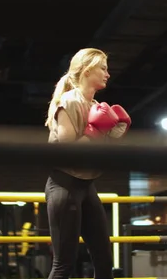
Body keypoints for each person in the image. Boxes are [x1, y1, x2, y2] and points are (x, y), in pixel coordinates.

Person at [44, 48, 131, 279]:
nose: (108, 74)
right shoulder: (70, 101)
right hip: (64, 186)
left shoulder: (95, 104)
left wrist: (115, 133)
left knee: (104, 262)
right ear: (87, 69)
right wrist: (94, 131)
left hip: (87, 186)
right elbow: (66, 151)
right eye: (103, 68)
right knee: (64, 264)